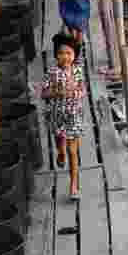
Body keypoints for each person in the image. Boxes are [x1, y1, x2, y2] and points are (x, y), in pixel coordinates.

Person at [44, 33, 86, 200]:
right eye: (61, 53)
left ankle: (74, 186)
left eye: (69, 53)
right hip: (57, 114)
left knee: (72, 150)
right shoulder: (52, 72)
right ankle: (59, 153)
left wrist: (77, 92)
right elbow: (44, 93)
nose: (65, 57)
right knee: (61, 145)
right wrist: (56, 91)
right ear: (56, 55)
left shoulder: (77, 72)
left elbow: (83, 89)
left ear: (74, 55)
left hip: (74, 115)